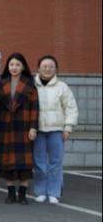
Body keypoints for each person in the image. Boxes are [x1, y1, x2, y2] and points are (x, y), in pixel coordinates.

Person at [0, 53, 39, 204]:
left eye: (18, 65)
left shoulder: (29, 85)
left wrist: (33, 127)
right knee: (7, 162)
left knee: (24, 163)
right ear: (7, 66)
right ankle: (11, 193)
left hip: (24, 127)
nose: (14, 67)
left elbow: (35, 108)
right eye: (12, 64)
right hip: (6, 127)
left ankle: (23, 194)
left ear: (23, 67)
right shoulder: (1, 84)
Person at [33, 55, 78, 204]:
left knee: (56, 162)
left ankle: (54, 192)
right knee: (39, 163)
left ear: (56, 69)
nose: (48, 69)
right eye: (44, 66)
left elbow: (71, 108)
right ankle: (40, 191)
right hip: (38, 130)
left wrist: (68, 127)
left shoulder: (62, 87)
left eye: (51, 66)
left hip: (57, 130)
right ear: (38, 68)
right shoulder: (32, 86)